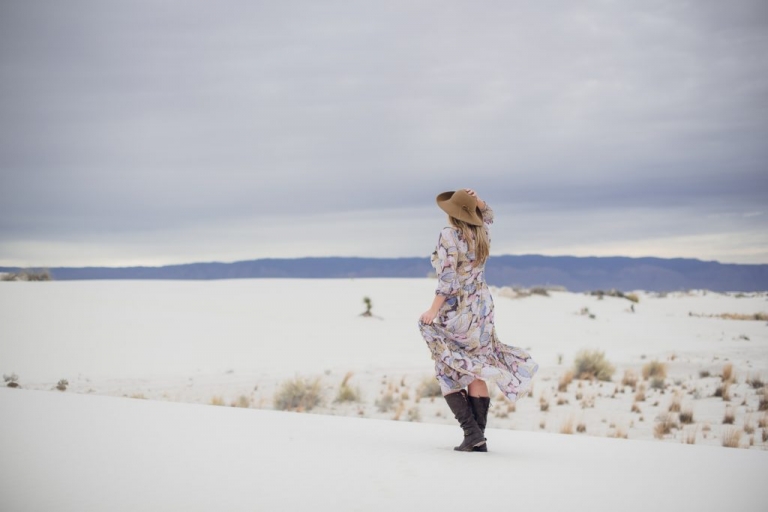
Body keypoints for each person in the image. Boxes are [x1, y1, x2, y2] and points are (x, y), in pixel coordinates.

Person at [418, 189, 538, 452]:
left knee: (447, 368)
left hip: (458, 309)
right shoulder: (483, 231)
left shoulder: (449, 235)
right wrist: (479, 203)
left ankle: (471, 433)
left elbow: (447, 280)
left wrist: (432, 310)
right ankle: (477, 439)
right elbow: (490, 215)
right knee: (477, 367)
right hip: (482, 309)